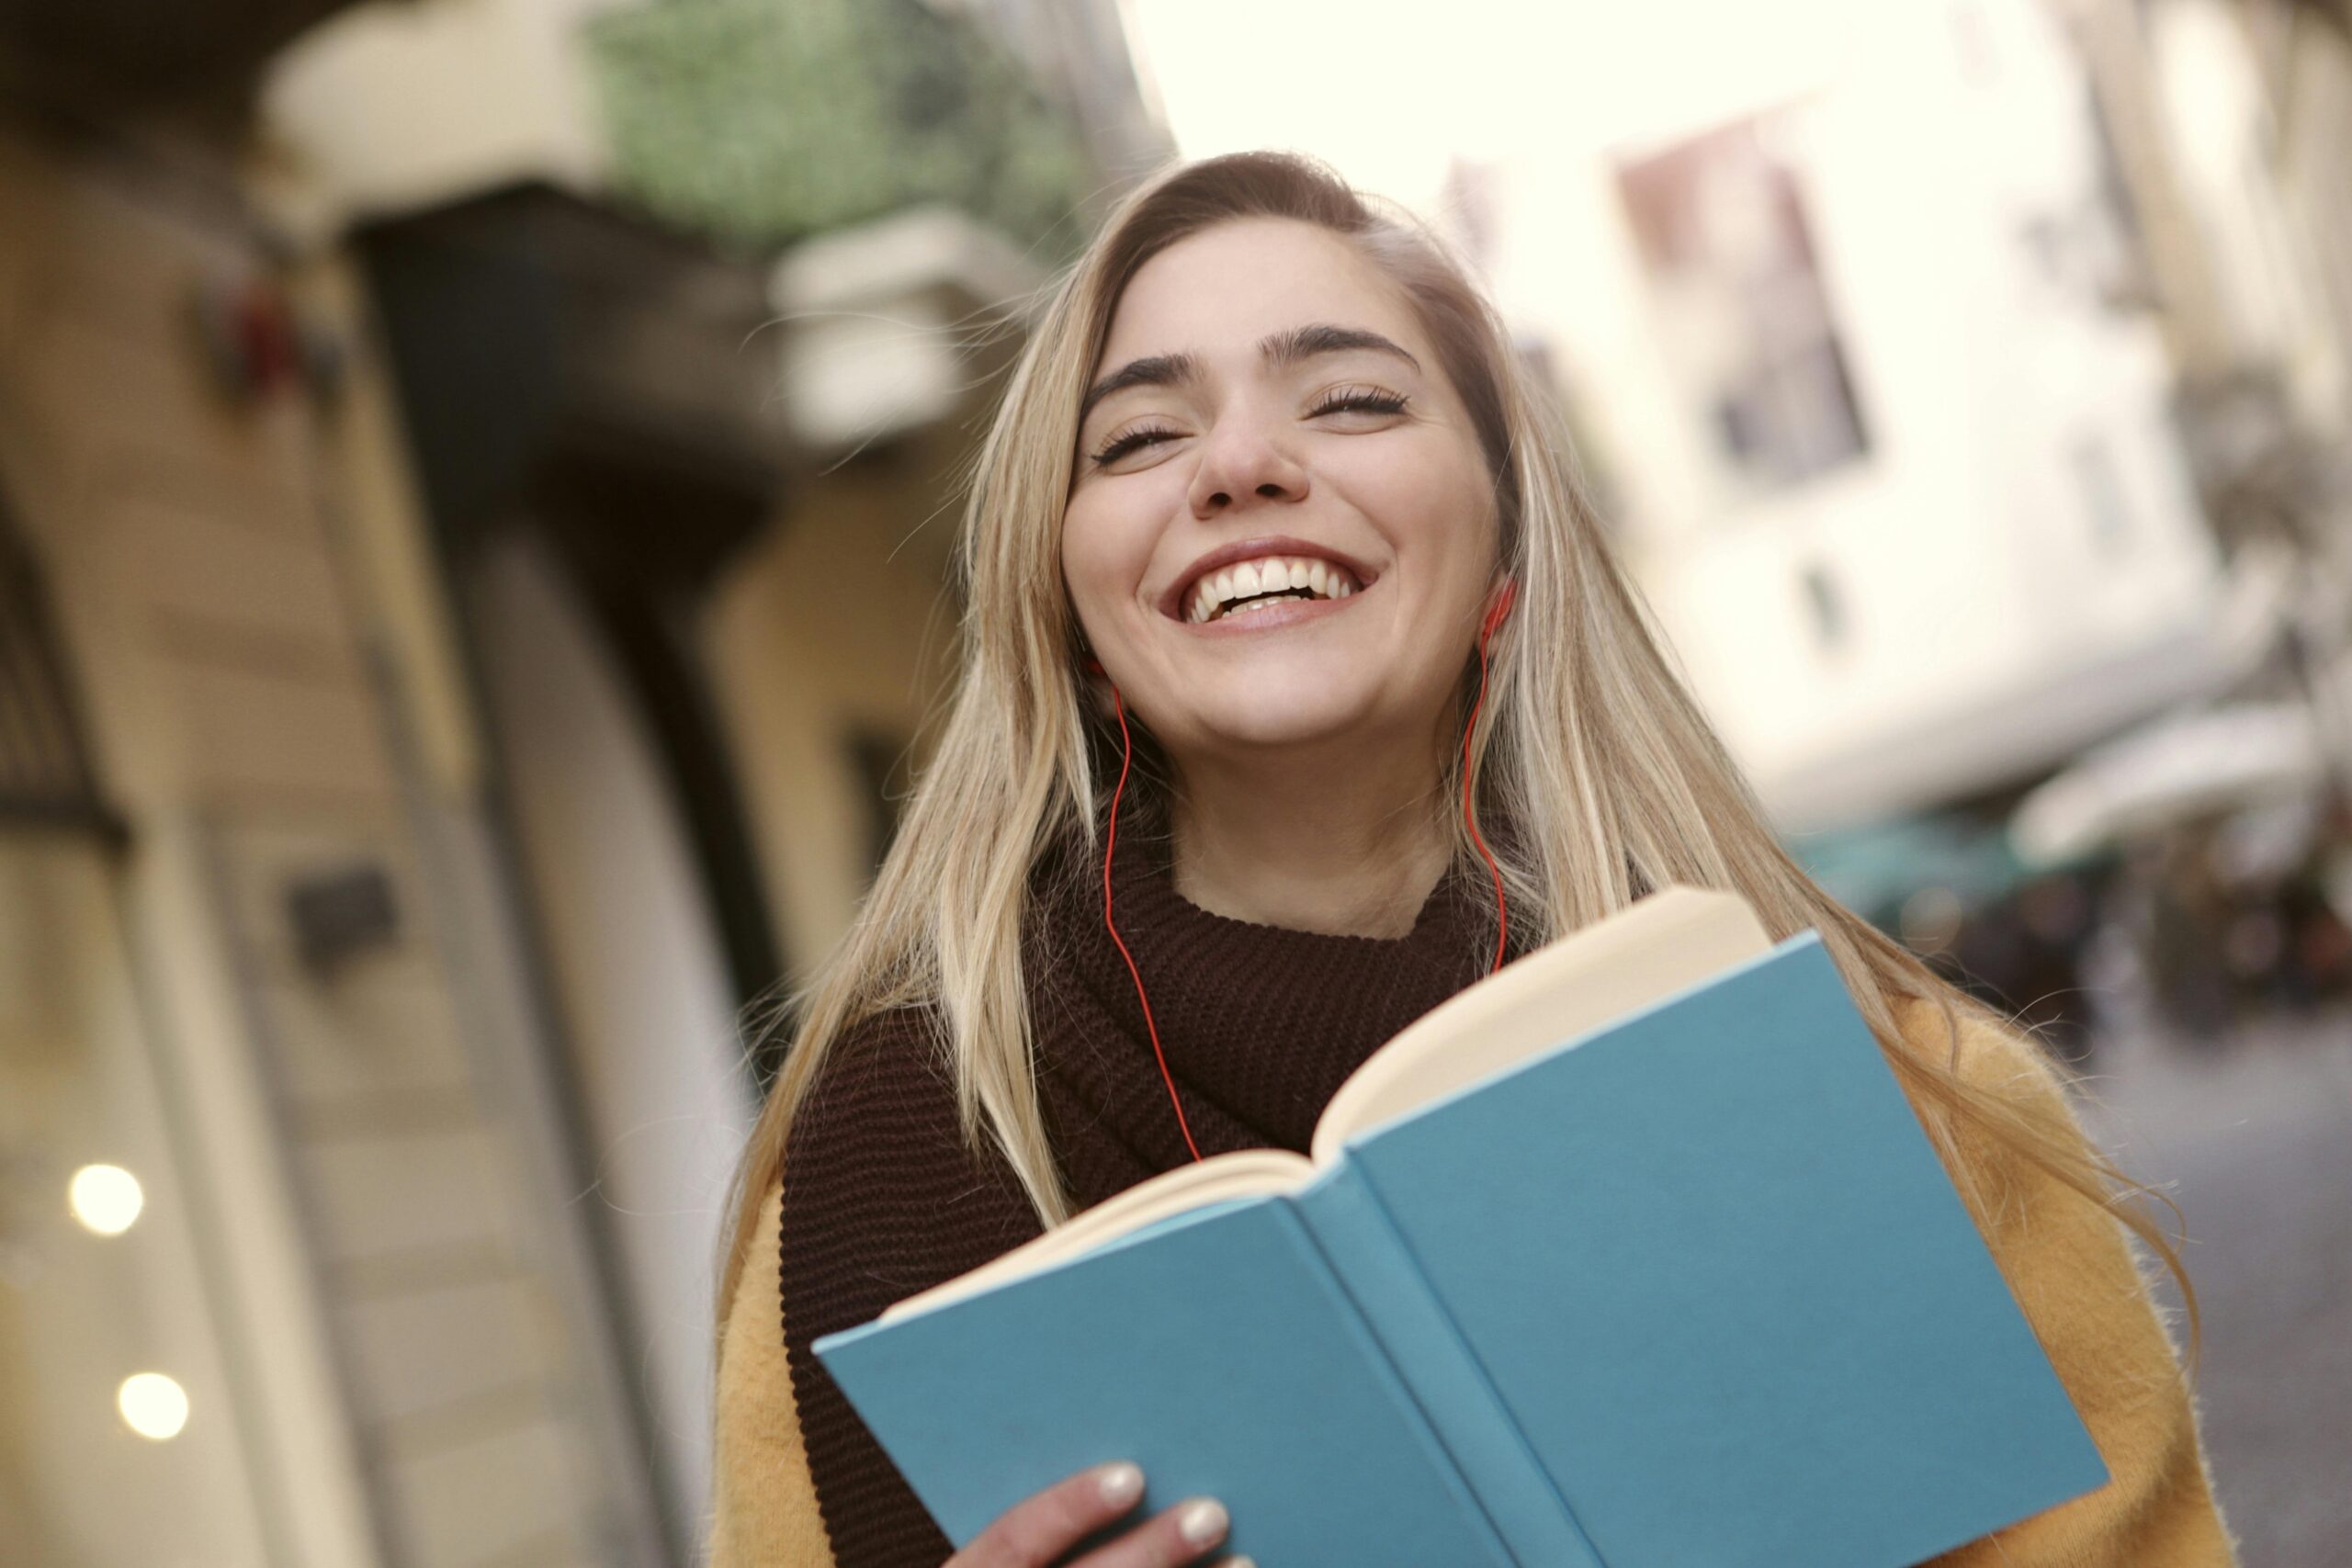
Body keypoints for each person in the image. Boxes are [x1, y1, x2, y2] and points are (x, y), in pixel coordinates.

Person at [706, 152, 2235, 1568]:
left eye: (1353, 402)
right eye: (1143, 435)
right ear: (1073, 611)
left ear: (1505, 551)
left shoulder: (1910, 1103)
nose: (1237, 463)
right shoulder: (876, 1176)